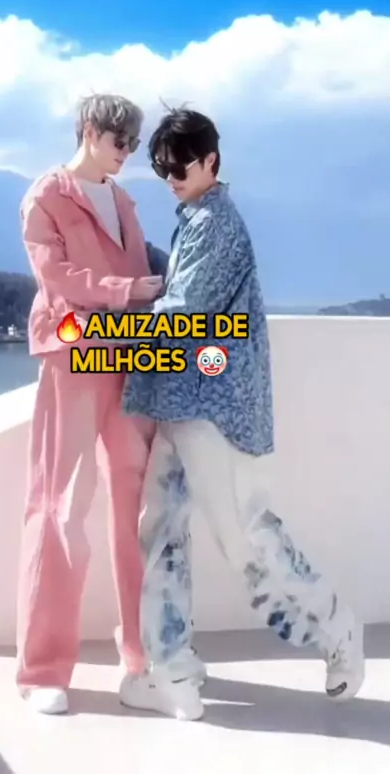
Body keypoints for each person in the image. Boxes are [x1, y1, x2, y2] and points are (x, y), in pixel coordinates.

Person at [115, 107, 365, 721]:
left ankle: (337, 629)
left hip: (213, 404)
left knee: (244, 536)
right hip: (182, 398)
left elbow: (184, 314)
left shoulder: (216, 225)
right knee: (161, 531)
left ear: (211, 161)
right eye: (162, 168)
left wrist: (104, 329)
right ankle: (173, 672)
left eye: (180, 167)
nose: (171, 178)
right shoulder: (196, 219)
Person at [16, 94, 204, 715]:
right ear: (90, 131)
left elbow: (148, 276)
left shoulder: (123, 202)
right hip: (72, 356)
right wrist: (127, 290)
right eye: (119, 141)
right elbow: (56, 278)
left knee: (138, 511)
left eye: (133, 144)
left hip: (129, 362)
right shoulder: (46, 196)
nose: (127, 153)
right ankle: (43, 671)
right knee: (60, 508)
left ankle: (142, 663)